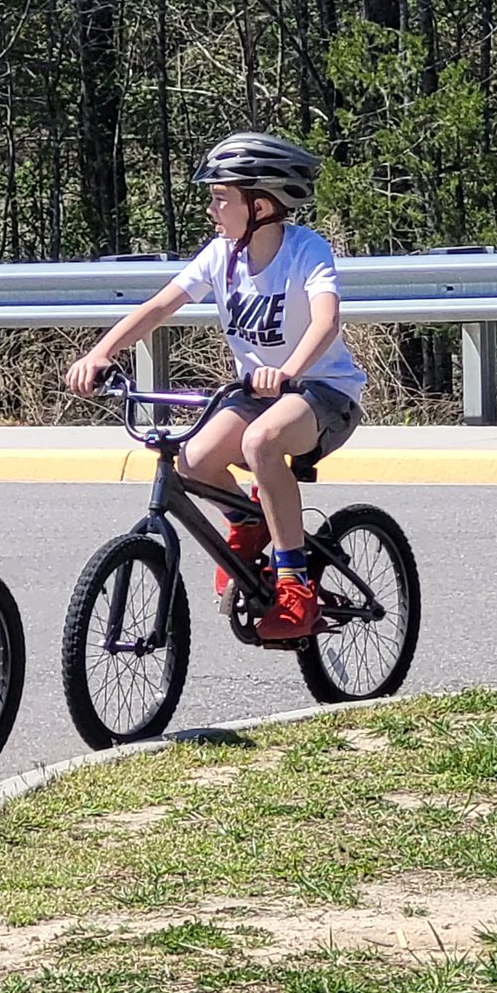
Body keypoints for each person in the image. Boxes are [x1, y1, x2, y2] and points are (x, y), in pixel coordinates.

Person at [67, 132, 366, 640]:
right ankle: (249, 523)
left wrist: (289, 370)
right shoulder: (220, 255)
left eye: (221, 198)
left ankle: (294, 584)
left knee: (261, 441)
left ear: (261, 205)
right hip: (259, 393)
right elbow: (159, 307)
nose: (211, 209)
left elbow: (326, 321)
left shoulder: (305, 250)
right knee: (193, 459)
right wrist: (102, 352)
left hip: (323, 392)